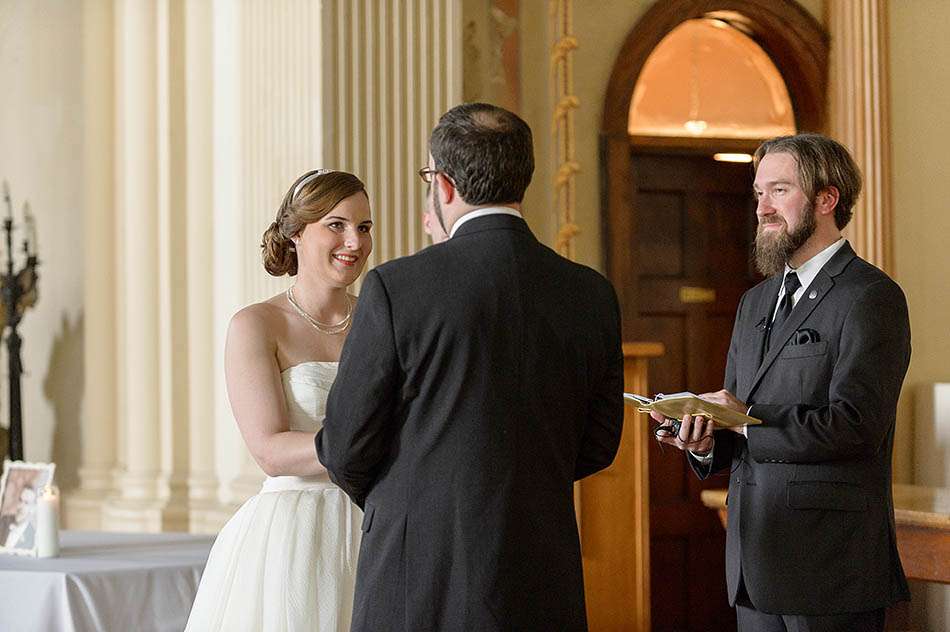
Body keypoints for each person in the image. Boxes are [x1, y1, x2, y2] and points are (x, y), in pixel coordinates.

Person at [316, 103, 624, 631]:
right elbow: (599, 442)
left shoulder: (397, 287)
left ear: (446, 185)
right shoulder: (590, 292)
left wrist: (416, 495)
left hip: (420, 568)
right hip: (541, 566)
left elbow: (345, 446)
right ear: (521, 180)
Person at [655, 133, 910, 632]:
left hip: (829, 566)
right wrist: (705, 437)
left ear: (825, 199)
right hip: (753, 563)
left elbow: (856, 426)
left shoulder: (871, 296)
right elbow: (739, 425)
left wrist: (746, 425)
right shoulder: (755, 302)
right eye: (758, 193)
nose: (762, 208)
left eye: (778, 191)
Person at [185, 169, 373, 632]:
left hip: (377, 526)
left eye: (364, 227)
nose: (354, 241)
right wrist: (365, 447)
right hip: (297, 534)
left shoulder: (380, 320)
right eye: (337, 224)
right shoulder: (257, 324)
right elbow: (269, 450)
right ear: (295, 234)